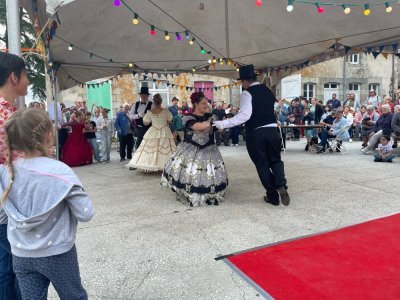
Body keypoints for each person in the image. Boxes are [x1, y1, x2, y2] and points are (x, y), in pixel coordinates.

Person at [0, 109, 93, 300]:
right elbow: (86, 213)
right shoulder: (60, 171)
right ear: (49, 136)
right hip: (57, 252)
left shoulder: (5, 173)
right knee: (73, 296)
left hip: (21, 253)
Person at [213, 64, 289, 206]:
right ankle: (281, 185)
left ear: (246, 81)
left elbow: (244, 116)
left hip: (256, 132)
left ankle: (272, 196)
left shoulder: (247, 93)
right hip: (273, 130)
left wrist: (223, 124)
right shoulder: (268, 90)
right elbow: (271, 111)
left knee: (262, 164)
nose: (242, 84)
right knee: (276, 160)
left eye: (242, 82)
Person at [162, 91, 228, 207]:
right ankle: (192, 192)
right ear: (195, 104)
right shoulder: (188, 117)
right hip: (191, 148)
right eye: (203, 103)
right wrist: (212, 123)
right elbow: (198, 127)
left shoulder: (211, 116)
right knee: (192, 171)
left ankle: (208, 192)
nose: (206, 105)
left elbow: (220, 130)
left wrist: (223, 124)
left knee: (209, 172)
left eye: (206, 103)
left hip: (209, 148)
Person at [0, 52, 28, 300]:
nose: (28, 81)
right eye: (25, 75)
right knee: (14, 267)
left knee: (5, 266)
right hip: (9, 201)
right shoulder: (10, 117)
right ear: (13, 77)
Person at [127, 94, 176, 172]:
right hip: (164, 130)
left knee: (150, 148)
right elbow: (170, 120)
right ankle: (165, 165)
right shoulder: (166, 111)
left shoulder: (149, 112)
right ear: (161, 102)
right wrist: (164, 121)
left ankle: (152, 164)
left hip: (153, 130)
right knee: (166, 148)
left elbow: (146, 122)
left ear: (154, 102)